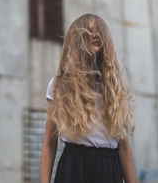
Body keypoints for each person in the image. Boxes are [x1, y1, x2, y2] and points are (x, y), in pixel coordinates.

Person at [39, 13, 136, 183]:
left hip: (109, 168)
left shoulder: (114, 87)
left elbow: (124, 147)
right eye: (89, 30)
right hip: (73, 166)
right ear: (77, 40)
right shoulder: (60, 85)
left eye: (99, 30)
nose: (95, 34)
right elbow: (49, 142)